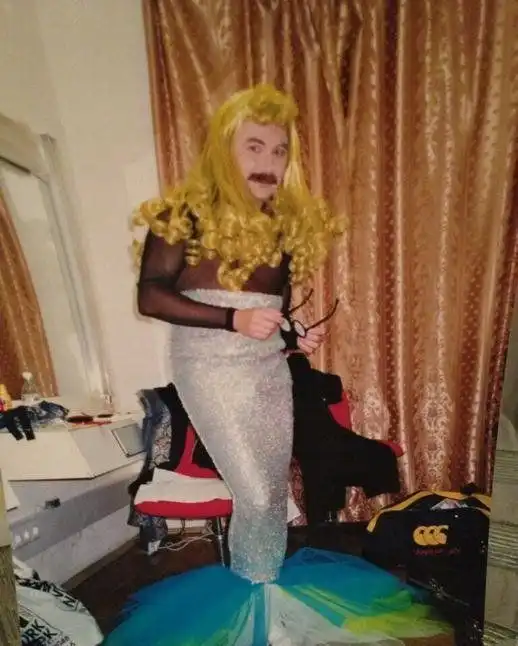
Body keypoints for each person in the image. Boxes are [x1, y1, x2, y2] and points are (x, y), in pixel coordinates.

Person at [103, 85, 450, 646]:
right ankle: (253, 613)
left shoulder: (281, 228)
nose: (269, 162)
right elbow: (151, 295)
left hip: (268, 373)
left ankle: (265, 604)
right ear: (224, 149)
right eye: (254, 146)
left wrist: (295, 335)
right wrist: (232, 320)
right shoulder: (181, 216)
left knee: (269, 492)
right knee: (259, 495)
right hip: (208, 370)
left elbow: (275, 311)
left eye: (279, 150)